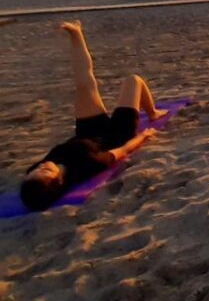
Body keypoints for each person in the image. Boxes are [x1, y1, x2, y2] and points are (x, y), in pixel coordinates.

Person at [21, 21, 166, 211]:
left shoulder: (34, 174)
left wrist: (39, 171)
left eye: (38, 169)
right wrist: (144, 136)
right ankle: (153, 112)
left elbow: (38, 176)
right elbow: (123, 150)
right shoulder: (89, 165)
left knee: (84, 84)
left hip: (87, 131)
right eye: (46, 170)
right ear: (60, 180)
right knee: (133, 80)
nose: (43, 165)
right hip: (116, 135)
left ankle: (76, 32)